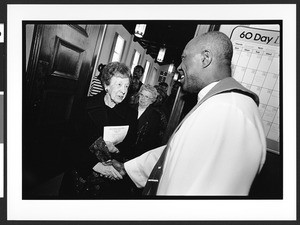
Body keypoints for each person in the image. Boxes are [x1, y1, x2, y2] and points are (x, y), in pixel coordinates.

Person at [111, 31, 267, 196]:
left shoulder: (228, 111)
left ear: (205, 58)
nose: (179, 66)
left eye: (184, 57)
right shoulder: (218, 104)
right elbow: (177, 151)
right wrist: (129, 168)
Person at [59, 62, 138, 198]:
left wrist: (117, 152)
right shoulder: (85, 106)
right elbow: (69, 142)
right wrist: (95, 164)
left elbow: (131, 146)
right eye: (119, 84)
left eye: (126, 86)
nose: (123, 91)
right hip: (82, 174)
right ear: (106, 85)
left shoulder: (130, 114)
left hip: (110, 180)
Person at [131, 84, 162, 157]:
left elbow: (152, 140)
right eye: (142, 95)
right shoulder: (130, 109)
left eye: (147, 97)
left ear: (152, 100)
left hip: (140, 153)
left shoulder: (155, 116)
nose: (143, 99)